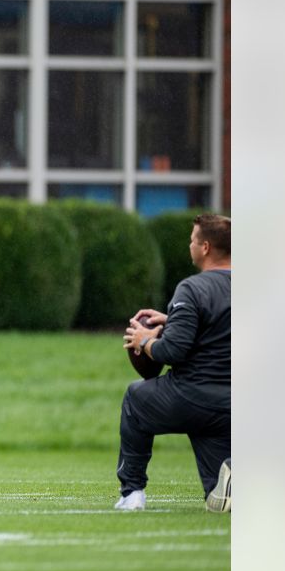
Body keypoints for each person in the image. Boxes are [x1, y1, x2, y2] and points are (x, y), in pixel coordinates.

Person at [118, 213, 231, 512]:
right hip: (233, 405)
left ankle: (132, 493)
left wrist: (144, 339)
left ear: (205, 247)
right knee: (217, 496)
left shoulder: (192, 288)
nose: (189, 244)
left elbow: (172, 352)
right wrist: (177, 319)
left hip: (191, 395)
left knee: (135, 399)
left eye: (193, 240)